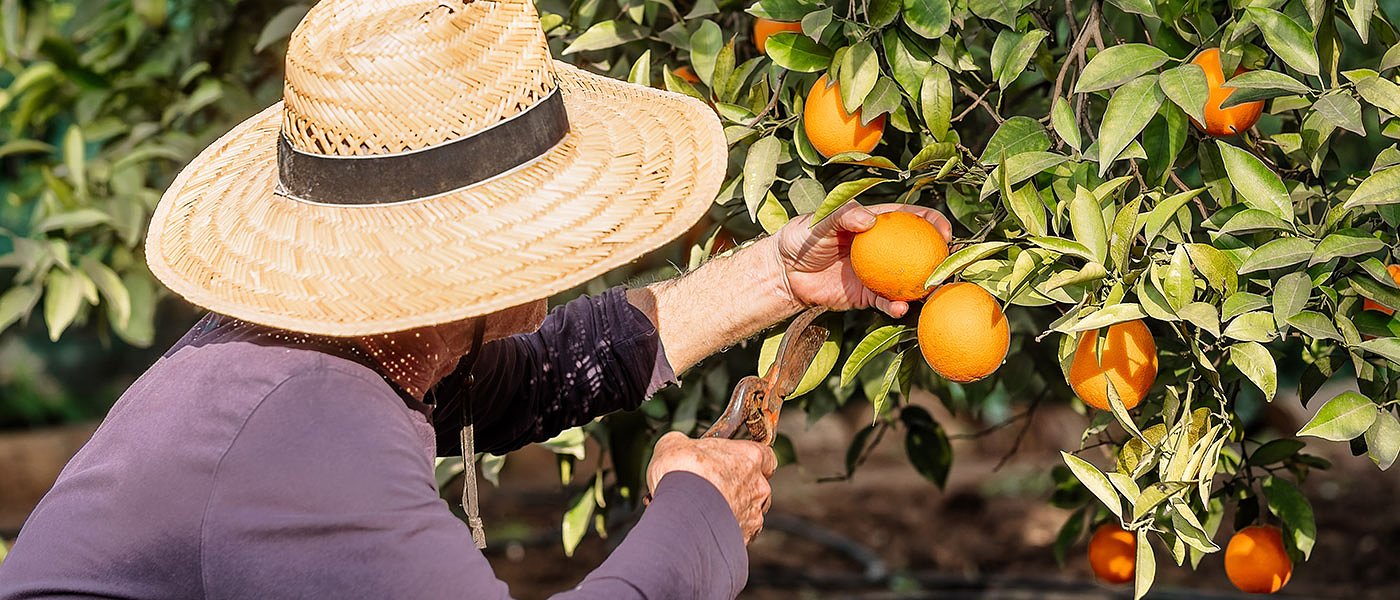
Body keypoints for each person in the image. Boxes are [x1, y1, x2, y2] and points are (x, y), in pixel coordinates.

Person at [0, 1, 950, 598]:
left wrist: (781, 277)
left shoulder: (347, 345)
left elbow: (545, 369)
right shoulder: (310, 432)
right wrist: (694, 520)